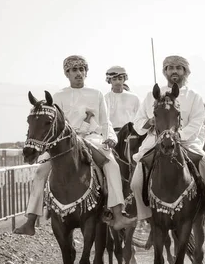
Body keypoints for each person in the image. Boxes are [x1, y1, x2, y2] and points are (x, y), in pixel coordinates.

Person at [14, 55, 136, 235]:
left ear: (86, 72)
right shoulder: (58, 96)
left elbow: (105, 121)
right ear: (67, 73)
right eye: (74, 70)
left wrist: (110, 137)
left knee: (112, 165)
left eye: (81, 70)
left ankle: (117, 214)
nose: (78, 73)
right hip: (66, 142)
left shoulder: (96, 94)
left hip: (92, 139)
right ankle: (31, 219)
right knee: (40, 172)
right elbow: (56, 124)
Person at [130, 55, 205, 225]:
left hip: (187, 143)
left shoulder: (194, 96)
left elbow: (196, 123)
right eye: (170, 68)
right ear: (165, 71)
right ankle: (147, 218)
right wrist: (151, 122)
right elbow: (138, 125)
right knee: (136, 184)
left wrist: (177, 136)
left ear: (185, 71)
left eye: (178, 68)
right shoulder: (150, 95)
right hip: (155, 144)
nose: (174, 71)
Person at [104, 66, 141, 132]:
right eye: (114, 79)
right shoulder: (105, 99)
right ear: (110, 81)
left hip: (130, 134)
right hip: (111, 134)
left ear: (124, 79)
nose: (117, 82)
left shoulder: (134, 98)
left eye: (120, 78)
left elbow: (139, 118)